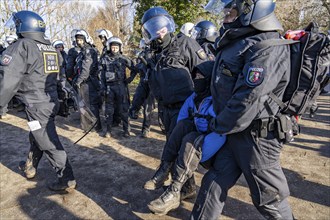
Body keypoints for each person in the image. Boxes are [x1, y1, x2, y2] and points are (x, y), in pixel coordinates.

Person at [191, 0, 294, 219]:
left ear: (251, 9)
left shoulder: (268, 46)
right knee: (214, 181)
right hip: (234, 131)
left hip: (257, 138)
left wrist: (217, 125)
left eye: (231, 10)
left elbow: (248, 99)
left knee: (269, 200)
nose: (226, 14)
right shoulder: (240, 40)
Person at [0, 10, 76, 191]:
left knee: (48, 142)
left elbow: (7, 80)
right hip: (49, 102)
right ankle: (30, 166)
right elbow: (58, 77)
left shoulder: (23, 45)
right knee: (38, 134)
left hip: (35, 104)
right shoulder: (49, 47)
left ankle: (67, 178)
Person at [141, 7, 207, 199]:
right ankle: (187, 188)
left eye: (160, 26)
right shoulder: (155, 54)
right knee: (172, 146)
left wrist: (202, 104)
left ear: (167, 25)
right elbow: (151, 83)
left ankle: (178, 189)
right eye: (152, 28)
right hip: (166, 109)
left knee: (182, 150)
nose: (157, 32)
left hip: (185, 109)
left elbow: (206, 70)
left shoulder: (186, 43)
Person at [147, 61, 226, 215]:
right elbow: (182, 118)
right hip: (196, 134)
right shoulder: (195, 96)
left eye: (201, 76)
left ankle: (175, 189)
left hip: (213, 144)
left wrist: (199, 146)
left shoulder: (218, 100)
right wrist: (180, 140)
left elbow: (220, 132)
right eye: (195, 76)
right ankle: (165, 168)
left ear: (210, 79)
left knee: (190, 139)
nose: (197, 79)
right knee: (181, 129)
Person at [99, 36, 135, 138]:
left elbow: (135, 68)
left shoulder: (123, 59)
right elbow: (101, 75)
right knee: (109, 111)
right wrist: (102, 88)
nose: (114, 49)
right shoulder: (104, 59)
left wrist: (130, 79)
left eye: (116, 47)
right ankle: (108, 131)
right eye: (113, 47)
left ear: (120, 48)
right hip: (109, 88)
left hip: (121, 87)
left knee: (124, 110)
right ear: (109, 47)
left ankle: (126, 130)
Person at [73, 29, 102, 132]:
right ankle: (89, 126)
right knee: (86, 105)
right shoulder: (82, 52)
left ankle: (94, 126)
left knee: (90, 105)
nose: (79, 42)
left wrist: (78, 81)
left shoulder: (89, 50)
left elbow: (86, 69)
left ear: (86, 39)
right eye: (77, 40)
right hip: (85, 81)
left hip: (88, 82)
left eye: (81, 40)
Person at [129, 39, 156, 138]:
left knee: (148, 107)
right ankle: (134, 112)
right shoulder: (141, 54)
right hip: (142, 81)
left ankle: (146, 129)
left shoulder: (155, 52)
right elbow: (137, 67)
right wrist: (131, 76)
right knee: (136, 99)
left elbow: (155, 66)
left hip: (152, 82)